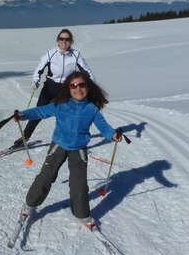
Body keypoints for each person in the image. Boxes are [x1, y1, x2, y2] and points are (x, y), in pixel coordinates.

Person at [13, 71, 121, 229]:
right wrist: (23, 115)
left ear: (88, 87)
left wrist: (113, 135)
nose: (78, 89)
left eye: (82, 85)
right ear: (69, 89)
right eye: (73, 85)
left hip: (79, 149)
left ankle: (82, 214)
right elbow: (40, 111)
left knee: (79, 184)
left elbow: (103, 127)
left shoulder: (91, 109)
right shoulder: (61, 104)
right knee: (46, 176)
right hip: (59, 145)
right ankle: (30, 204)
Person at [13, 28, 94, 148]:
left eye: (67, 39)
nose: (64, 41)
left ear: (71, 41)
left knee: (67, 115)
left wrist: (93, 88)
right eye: (61, 39)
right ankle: (25, 137)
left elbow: (87, 72)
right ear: (58, 40)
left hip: (66, 89)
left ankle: (71, 140)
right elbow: (39, 69)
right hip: (50, 87)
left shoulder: (76, 55)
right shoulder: (51, 53)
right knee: (39, 112)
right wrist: (36, 80)